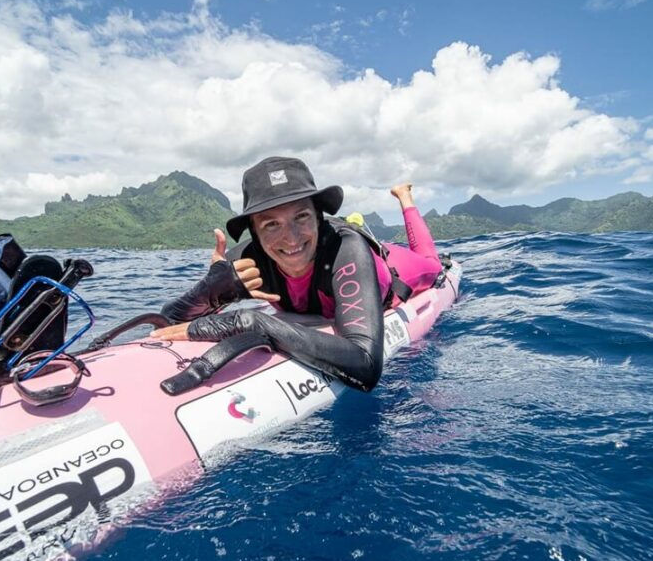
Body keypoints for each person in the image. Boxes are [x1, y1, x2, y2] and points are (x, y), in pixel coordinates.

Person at [150, 156, 443, 391]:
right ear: (254, 232)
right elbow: (169, 322)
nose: (290, 239)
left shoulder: (346, 249)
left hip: (393, 271)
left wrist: (256, 323)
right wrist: (209, 291)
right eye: (271, 225)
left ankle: (404, 198)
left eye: (301, 217)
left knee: (432, 263)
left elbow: (365, 365)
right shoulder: (246, 260)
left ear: (318, 217)